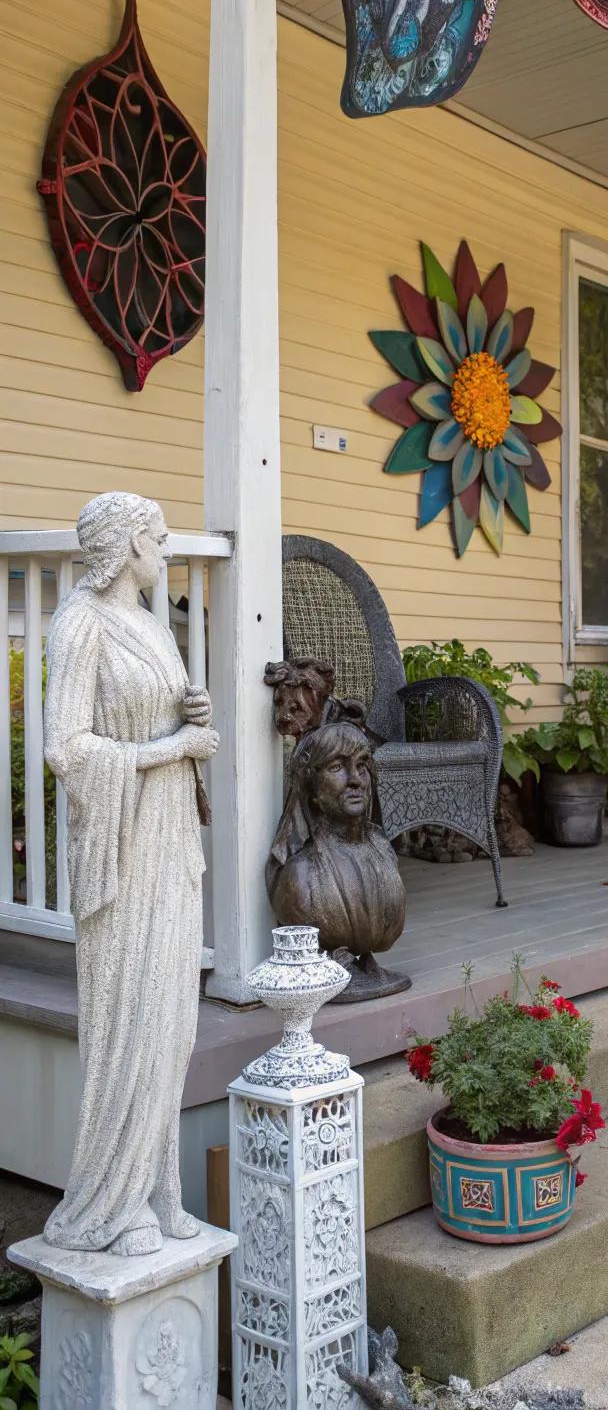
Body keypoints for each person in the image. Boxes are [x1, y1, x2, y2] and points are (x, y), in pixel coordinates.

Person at [42, 492, 218, 1256]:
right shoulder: (79, 624)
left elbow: (159, 714)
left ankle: (158, 1190)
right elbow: (67, 749)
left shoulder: (150, 622)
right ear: (125, 548)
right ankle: (110, 1207)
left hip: (168, 830)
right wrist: (171, 749)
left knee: (173, 1023)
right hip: (122, 842)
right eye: (157, 537)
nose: (167, 547)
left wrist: (192, 712)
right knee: (133, 1016)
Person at [266, 716, 409, 1000]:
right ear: (312, 787)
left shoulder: (383, 853)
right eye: (336, 768)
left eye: (362, 766)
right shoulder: (301, 875)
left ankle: (364, 963)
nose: (356, 780)